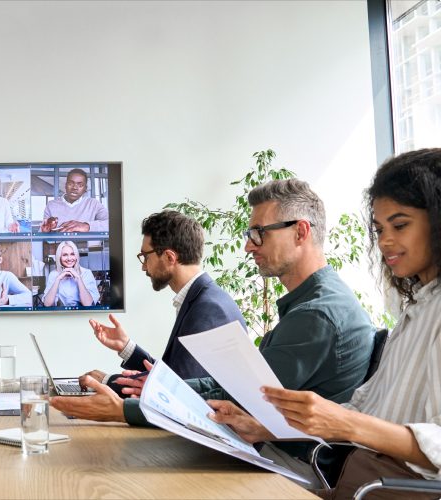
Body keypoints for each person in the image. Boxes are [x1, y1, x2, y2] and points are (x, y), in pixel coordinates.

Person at [51, 180, 375, 463]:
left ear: (301, 231)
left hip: (287, 464)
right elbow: (231, 386)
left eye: (258, 234)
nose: (248, 245)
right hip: (272, 452)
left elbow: (240, 401)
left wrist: (125, 407)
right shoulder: (310, 305)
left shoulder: (315, 314)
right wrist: (149, 387)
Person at [210, 149, 441, 499]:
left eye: (400, 225)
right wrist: (264, 428)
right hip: (361, 480)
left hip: (390, 489)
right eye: (379, 229)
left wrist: (345, 423)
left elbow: (357, 422)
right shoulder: (416, 311)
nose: (385, 242)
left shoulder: (323, 313)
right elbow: (361, 411)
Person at [50, 210, 245, 425]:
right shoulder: (202, 298)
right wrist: (126, 347)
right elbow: (174, 379)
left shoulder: (208, 308)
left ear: (170, 257)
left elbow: (178, 394)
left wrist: (108, 381)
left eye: (146, 256)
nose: (143, 266)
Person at [40, 168, 109, 233]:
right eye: (71, 183)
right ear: (65, 185)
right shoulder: (51, 205)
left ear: (85, 189)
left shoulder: (93, 204)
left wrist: (87, 226)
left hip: (85, 245)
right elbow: (43, 231)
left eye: (80, 185)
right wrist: (47, 231)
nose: (75, 187)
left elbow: (112, 224)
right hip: (58, 245)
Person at [42, 240, 100, 307]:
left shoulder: (86, 273)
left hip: (82, 314)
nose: (69, 258)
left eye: (72, 254)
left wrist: (78, 278)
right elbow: (47, 304)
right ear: (59, 258)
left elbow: (88, 304)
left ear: (76, 256)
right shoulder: (53, 274)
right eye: (65, 255)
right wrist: (58, 279)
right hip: (62, 314)